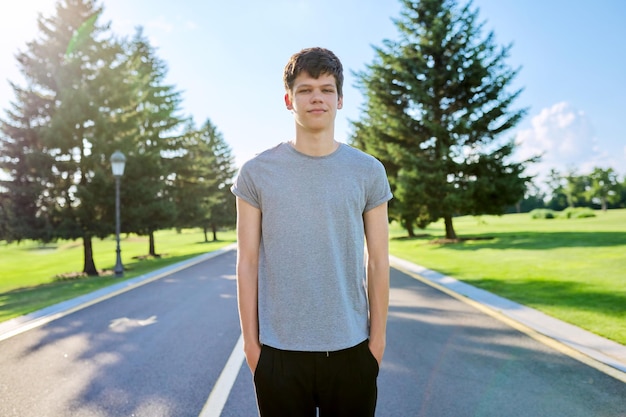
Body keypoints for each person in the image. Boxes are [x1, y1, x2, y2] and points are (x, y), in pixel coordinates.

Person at [231, 46, 392, 417]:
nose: (316, 97)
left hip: (353, 350)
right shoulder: (256, 173)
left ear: (340, 99)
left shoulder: (368, 171)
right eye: (305, 89)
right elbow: (247, 263)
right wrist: (252, 348)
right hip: (278, 355)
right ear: (289, 100)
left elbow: (379, 261)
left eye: (326, 89)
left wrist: (377, 344)